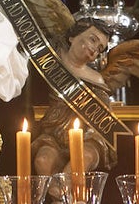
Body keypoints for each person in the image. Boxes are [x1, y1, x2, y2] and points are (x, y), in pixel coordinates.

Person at [32, 20, 116, 176]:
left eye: (99, 49)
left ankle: (67, 196)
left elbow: (103, 119)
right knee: (43, 161)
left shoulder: (95, 79)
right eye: (93, 40)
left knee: (82, 158)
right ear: (73, 37)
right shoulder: (51, 59)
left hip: (87, 135)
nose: (94, 50)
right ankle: (60, 196)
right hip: (55, 132)